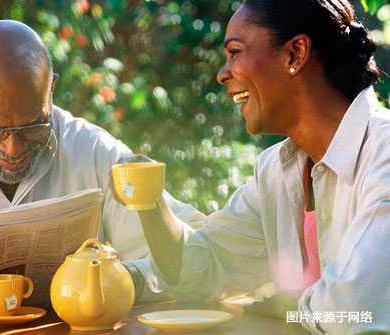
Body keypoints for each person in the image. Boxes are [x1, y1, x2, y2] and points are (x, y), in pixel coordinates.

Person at [117, 0, 390, 333]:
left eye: (234, 52)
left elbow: (353, 310)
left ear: (295, 54)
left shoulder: (384, 153)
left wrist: (288, 306)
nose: (222, 73)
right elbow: (202, 269)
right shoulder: (275, 171)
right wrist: (150, 199)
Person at [0, 20, 203, 299]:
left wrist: (118, 280)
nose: (13, 149)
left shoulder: (92, 151)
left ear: (51, 91)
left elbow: (198, 259)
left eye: (33, 125)